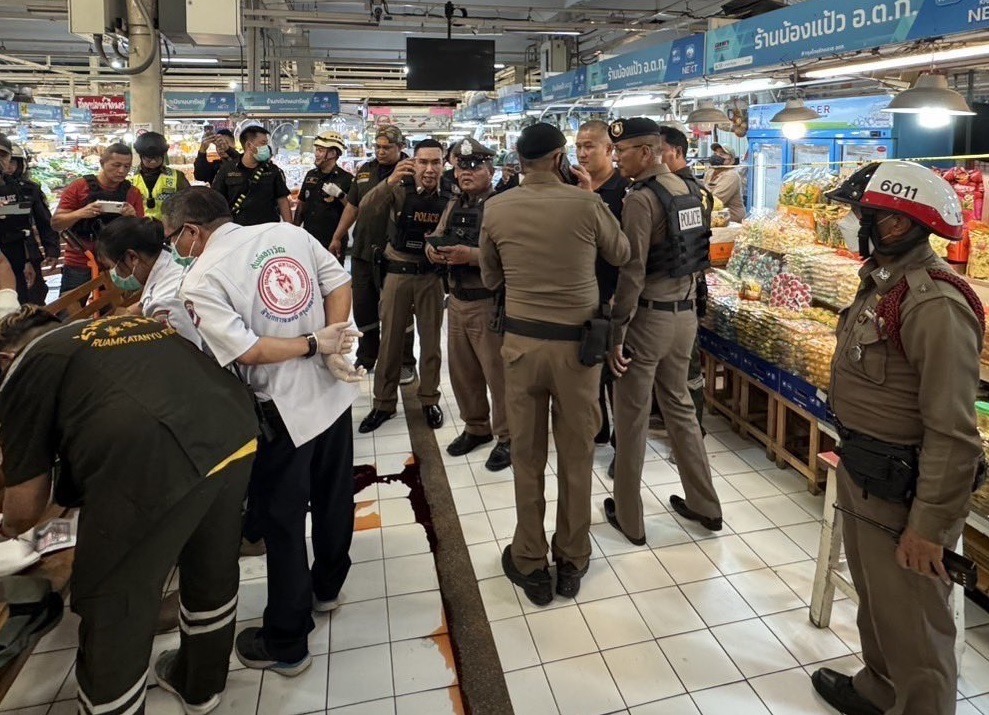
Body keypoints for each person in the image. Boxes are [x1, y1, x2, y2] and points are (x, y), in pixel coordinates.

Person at [0, 305, 259, 715]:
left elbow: (23, 509)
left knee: (115, 600)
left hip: (156, 461)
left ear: (4, 359)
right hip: (233, 429)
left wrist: (10, 527)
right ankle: (200, 686)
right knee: (212, 566)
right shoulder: (113, 326)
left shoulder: (26, 368)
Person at [165, 187, 363, 677]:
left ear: (190, 231)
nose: (175, 248)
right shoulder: (285, 233)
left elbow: (248, 351)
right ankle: (327, 588)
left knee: (283, 522)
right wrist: (330, 344)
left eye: (173, 238)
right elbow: (340, 283)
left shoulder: (203, 277)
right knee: (335, 493)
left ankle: (287, 640)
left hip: (282, 408)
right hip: (331, 392)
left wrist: (319, 342)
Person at [811, 161, 985, 715]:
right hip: (868, 474)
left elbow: (955, 434)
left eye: (860, 216)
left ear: (894, 226)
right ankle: (879, 691)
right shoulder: (882, 284)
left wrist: (929, 528)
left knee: (915, 624)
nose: (849, 224)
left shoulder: (933, 303)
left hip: (907, 491)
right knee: (879, 604)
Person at [480, 123, 629, 606]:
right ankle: (572, 557)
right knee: (577, 452)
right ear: (561, 157)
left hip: (522, 347)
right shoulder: (585, 204)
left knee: (526, 453)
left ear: (519, 161)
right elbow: (621, 253)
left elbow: (490, 276)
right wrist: (593, 200)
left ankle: (529, 559)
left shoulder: (497, 208)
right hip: (578, 352)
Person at [605, 117, 722, 547]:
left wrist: (618, 329)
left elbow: (632, 270)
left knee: (631, 415)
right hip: (685, 316)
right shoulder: (688, 189)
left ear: (649, 152)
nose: (618, 158)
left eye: (625, 151)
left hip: (648, 319)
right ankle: (706, 505)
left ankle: (631, 519)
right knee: (680, 408)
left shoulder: (641, 199)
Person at [426, 137, 511, 472]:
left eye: (475, 166)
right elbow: (438, 232)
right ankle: (477, 427)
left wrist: (471, 257)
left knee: (499, 378)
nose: (466, 172)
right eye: (461, 166)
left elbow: (510, 257)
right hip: (457, 301)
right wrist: (431, 249)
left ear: (490, 169)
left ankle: (508, 437)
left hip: (488, 304)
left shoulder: (503, 205)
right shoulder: (455, 203)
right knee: (462, 374)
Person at [358, 139, 450, 434]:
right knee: (390, 343)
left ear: (444, 163)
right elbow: (366, 209)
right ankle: (383, 402)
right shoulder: (399, 188)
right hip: (397, 274)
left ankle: (429, 399)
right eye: (423, 162)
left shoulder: (451, 194)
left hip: (431, 277)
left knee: (432, 344)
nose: (429, 169)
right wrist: (390, 181)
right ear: (414, 162)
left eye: (436, 162)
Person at [329, 125, 416, 379]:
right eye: (378, 146)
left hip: (396, 255)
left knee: (399, 311)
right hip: (363, 251)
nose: (381, 151)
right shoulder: (366, 171)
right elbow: (353, 206)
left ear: (400, 148)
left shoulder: (412, 173)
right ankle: (367, 357)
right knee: (364, 309)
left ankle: (405, 361)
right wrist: (338, 235)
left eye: (387, 147)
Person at [575, 119, 629, 446]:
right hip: (583, 295)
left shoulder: (626, 190)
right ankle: (597, 430)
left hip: (615, 296)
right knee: (590, 370)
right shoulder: (572, 188)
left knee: (618, 376)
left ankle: (623, 444)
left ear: (609, 149)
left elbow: (629, 249)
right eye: (578, 146)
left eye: (589, 146)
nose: (581, 153)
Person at [656, 125, 711, 434]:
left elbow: (687, 245)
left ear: (676, 152)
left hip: (685, 289)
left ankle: (694, 428)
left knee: (686, 365)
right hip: (668, 288)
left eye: (659, 150)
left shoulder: (692, 192)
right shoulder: (664, 188)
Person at [51, 142, 143, 296]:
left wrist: (133, 217)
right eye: (116, 165)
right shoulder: (79, 187)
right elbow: (56, 223)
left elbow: (141, 232)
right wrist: (80, 213)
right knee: (69, 310)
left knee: (113, 312)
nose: (121, 171)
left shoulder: (133, 193)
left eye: (127, 167)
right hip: (80, 259)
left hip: (116, 261)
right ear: (102, 163)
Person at [95, 216, 201, 347]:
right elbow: (141, 305)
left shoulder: (163, 303)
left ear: (132, 257)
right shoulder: (170, 258)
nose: (112, 274)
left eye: (111, 267)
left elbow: (185, 357)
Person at [1, 140, 57, 305]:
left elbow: (45, 221)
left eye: (5, 156)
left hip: (23, 253)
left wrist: (51, 249)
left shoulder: (26, 189)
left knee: (32, 301)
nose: (8, 165)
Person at [212, 125, 292, 226]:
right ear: (249, 145)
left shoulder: (272, 170)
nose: (266, 148)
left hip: (268, 230)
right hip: (237, 229)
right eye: (263, 143)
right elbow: (217, 201)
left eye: (267, 144)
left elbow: (282, 200)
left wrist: (290, 228)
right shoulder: (227, 169)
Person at [294, 131, 354, 255]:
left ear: (332, 153)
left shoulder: (346, 178)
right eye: (316, 150)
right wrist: (294, 229)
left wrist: (341, 195)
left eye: (321, 150)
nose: (316, 154)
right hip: (309, 237)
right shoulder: (311, 175)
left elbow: (354, 208)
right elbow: (302, 204)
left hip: (333, 239)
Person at [132, 132, 191, 222]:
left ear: (163, 156)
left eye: (157, 158)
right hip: (136, 228)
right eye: (148, 159)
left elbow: (188, 201)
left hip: (168, 229)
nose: (153, 162)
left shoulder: (177, 176)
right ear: (141, 156)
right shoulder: (129, 177)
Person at [706, 144, 745, 223]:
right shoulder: (710, 172)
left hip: (731, 220)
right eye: (715, 153)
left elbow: (716, 201)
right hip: (715, 217)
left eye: (721, 154)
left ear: (731, 161)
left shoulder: (731, 175)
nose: (717, 156)